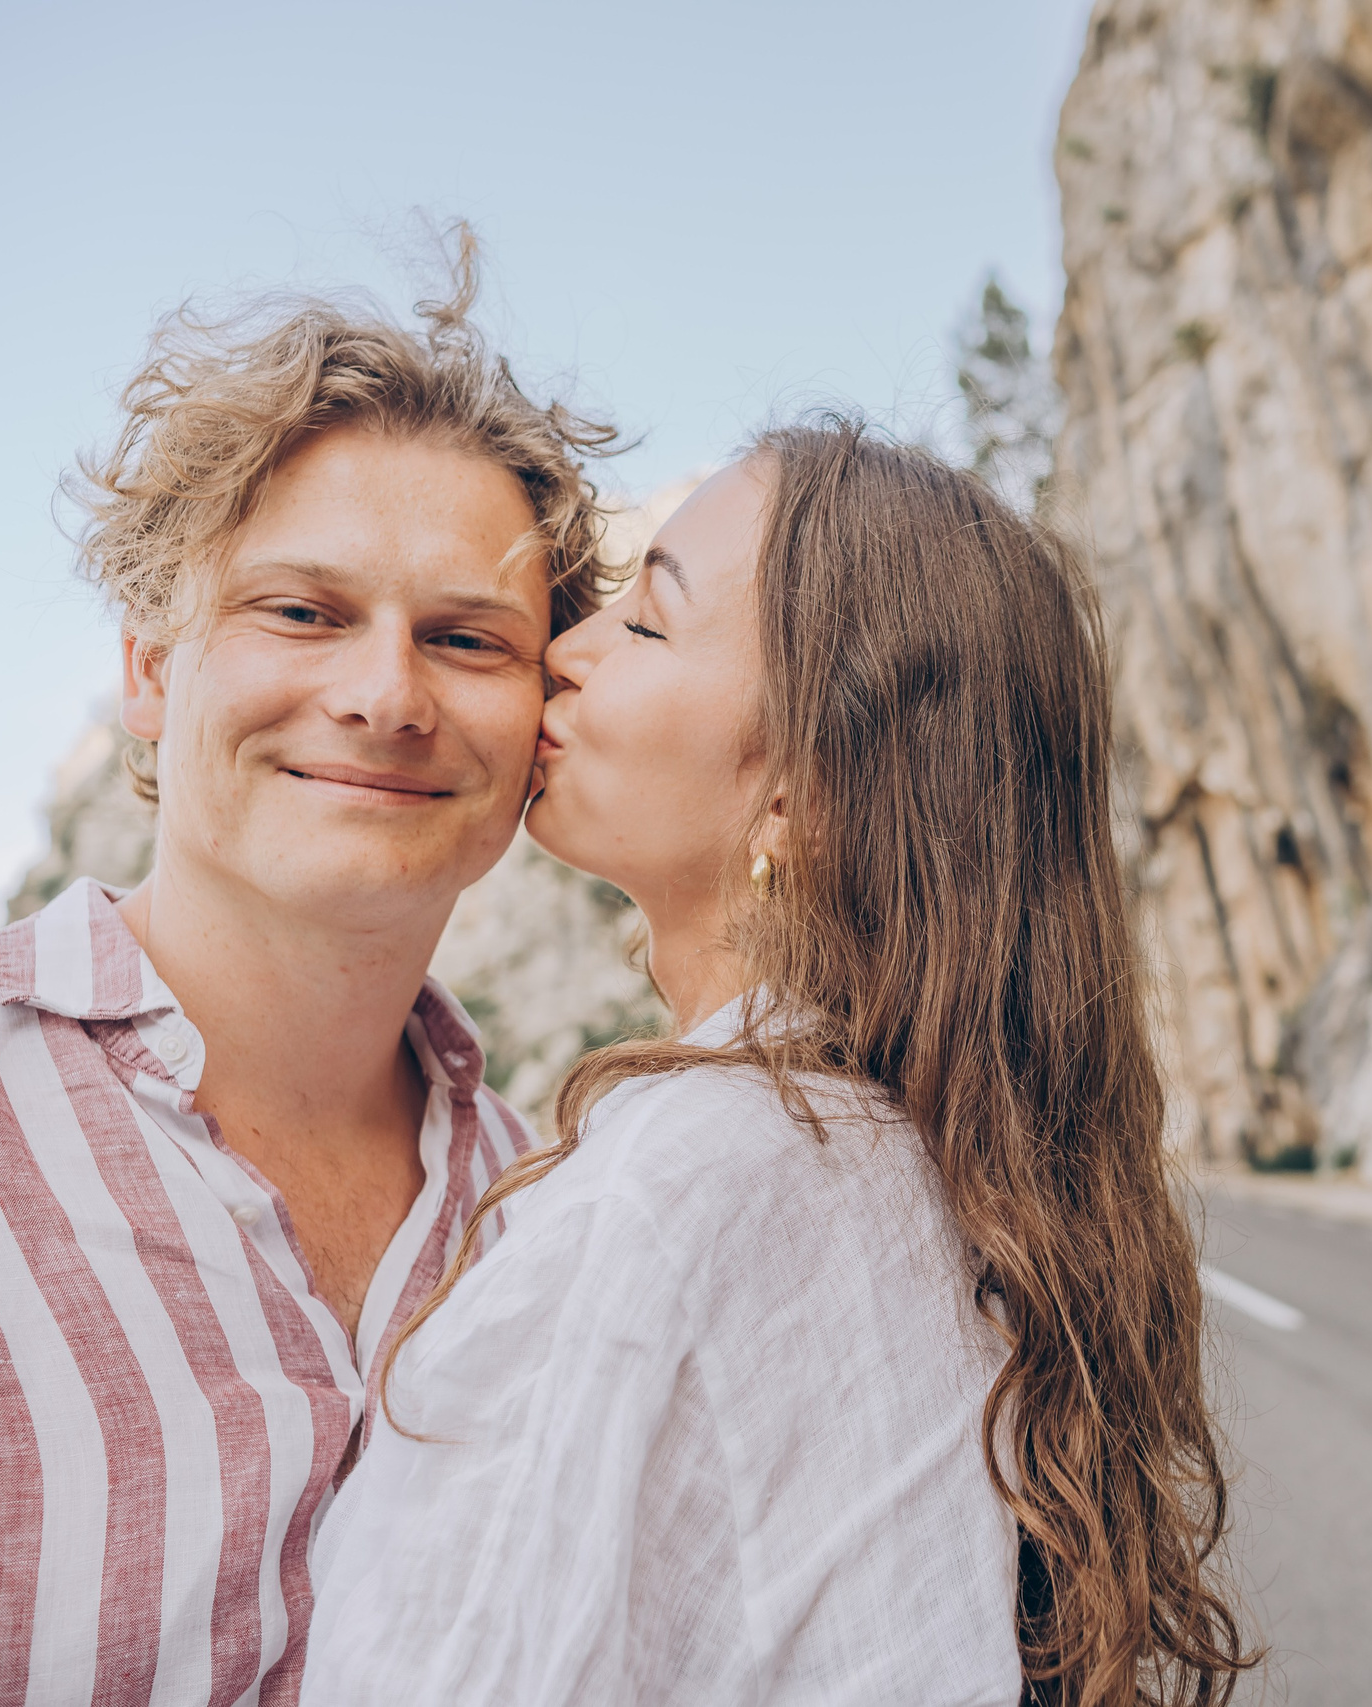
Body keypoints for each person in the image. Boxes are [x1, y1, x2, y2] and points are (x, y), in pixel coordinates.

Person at [0, 236, 612, 1705]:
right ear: (150, 668)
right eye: (301, 612)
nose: (385, 693)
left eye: (465, 638)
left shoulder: (573, 1231)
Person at [301, 422, 1259, 1704]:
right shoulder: (900, 1157)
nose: (564, 652)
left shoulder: (682, 1186)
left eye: (646, 625)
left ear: (803, 794)